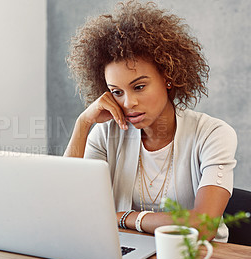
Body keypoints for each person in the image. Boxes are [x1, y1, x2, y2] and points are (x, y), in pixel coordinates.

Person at [64, 0, 237, 242]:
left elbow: (204, 226)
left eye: (139, 87)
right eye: (117, 92)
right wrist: (83, 124)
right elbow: (67, 209)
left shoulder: (212, 134)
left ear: (169, 76)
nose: (128, 103)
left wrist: (126, 217)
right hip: (124, 252)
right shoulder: (105, 135)